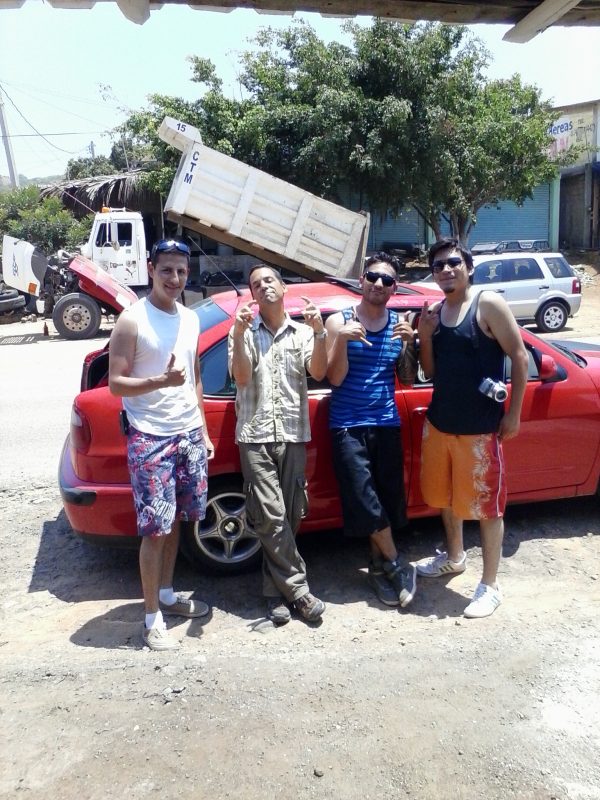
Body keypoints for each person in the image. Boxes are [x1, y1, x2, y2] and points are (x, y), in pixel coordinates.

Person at [109, 238, 214, 651]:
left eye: (181, 271)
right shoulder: (132, 320)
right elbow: (116, 384)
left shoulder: (190, 318)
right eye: (166, 270)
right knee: (155, 529)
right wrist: (159, 381)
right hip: (150, 436)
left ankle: (168, 595)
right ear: (151, 269)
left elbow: (195, 376)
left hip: (188, 432)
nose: (174, 278)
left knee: (179, 520)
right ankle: (151, 618)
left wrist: (203, 429)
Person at [416, 237, 529, 618]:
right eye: (438, 266)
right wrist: (425, 336)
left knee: (487, 509)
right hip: (440, 424)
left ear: (468, 267)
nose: (446, 270)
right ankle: (454, 557)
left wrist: (513, 414)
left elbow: (519, 356)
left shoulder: (487, 303)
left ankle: (490, 585)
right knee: (446, 497)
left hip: (480, 429)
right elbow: (430, 371)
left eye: (453, 263)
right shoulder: (436, 312)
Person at [228, 264, 328, 626]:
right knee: (269, 516)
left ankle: (275, 593)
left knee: (290, 515)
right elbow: (241, 377)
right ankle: (300, 592)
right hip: (255, 436)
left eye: (269, 280)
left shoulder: (302, 332)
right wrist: (240, 333)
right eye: (256, 284)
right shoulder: (242, 331)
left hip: (293, 432)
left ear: (283, 288)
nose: (264, 286)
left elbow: (319, 371)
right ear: (253, 296)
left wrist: (320, 332)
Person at [325, 253, 418, 608]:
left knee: (386, 500)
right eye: (373, 277)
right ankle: (398, 565)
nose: (379, 284)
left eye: (387, 280)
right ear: (362, 280)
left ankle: (379, 570)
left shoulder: (398, 324)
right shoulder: (339, 321)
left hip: (387, 422)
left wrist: (410, 343)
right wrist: (342, 340)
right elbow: (334, 379)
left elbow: (407, 378)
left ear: (395, 288)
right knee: (364, 499)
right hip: (347, 424)